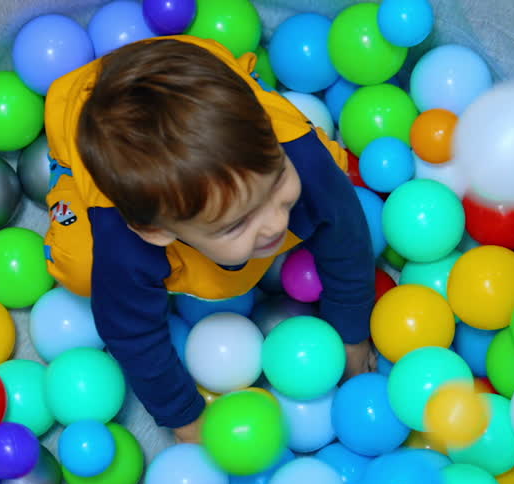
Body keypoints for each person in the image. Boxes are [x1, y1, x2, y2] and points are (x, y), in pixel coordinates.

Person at [42, 35, 376, 443]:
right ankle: (67, 175)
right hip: (79, 109)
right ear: (157, 231)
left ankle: (247, 83)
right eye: (237, 224)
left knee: (329, 167)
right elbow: (132, 335)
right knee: (79, 269)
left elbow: (347, 236)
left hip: (197, 64)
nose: (274, 223)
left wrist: (351, 332)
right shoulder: (126, 247)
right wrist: (184, 416)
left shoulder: (297, 158)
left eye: (276, 184)